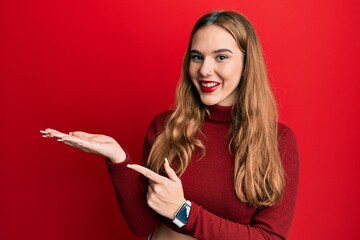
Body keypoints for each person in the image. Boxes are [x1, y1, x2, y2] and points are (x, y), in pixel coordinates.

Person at [41, 10, 299, 240]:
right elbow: (143, 225)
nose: (205, 69)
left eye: (221, 57)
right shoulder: (165, 127)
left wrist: (183, 212)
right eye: (197, 57)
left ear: (246, 63)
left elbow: (271, 237)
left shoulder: (278, 140)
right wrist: (118, 160)